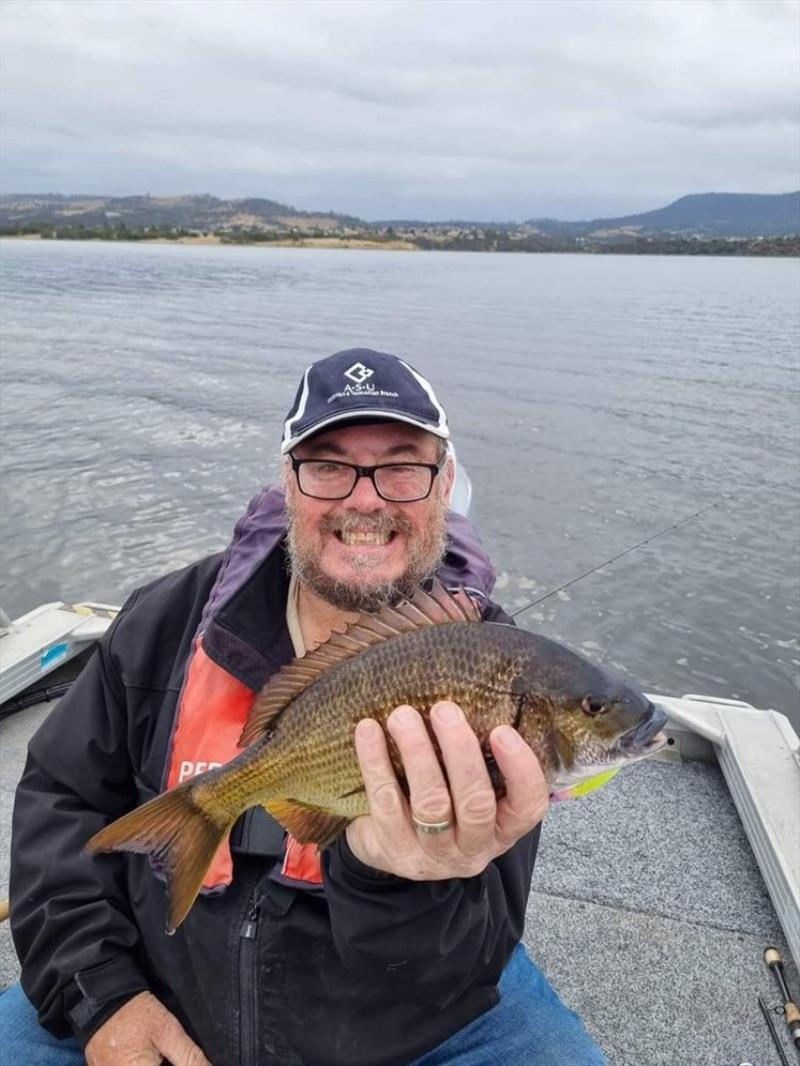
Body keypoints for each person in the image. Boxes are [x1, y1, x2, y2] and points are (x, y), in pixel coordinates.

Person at [3, 348, 608, 1065]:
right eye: (327, 465)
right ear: (288, 484)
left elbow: (464, 963)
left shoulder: (498, 666)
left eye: (403, 465)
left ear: (445, 485)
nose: (365, 499)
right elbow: (62, 802)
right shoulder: (162, 620)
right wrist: (101, 997)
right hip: (155, 981)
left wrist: (399, 879)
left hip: (411, 1026)